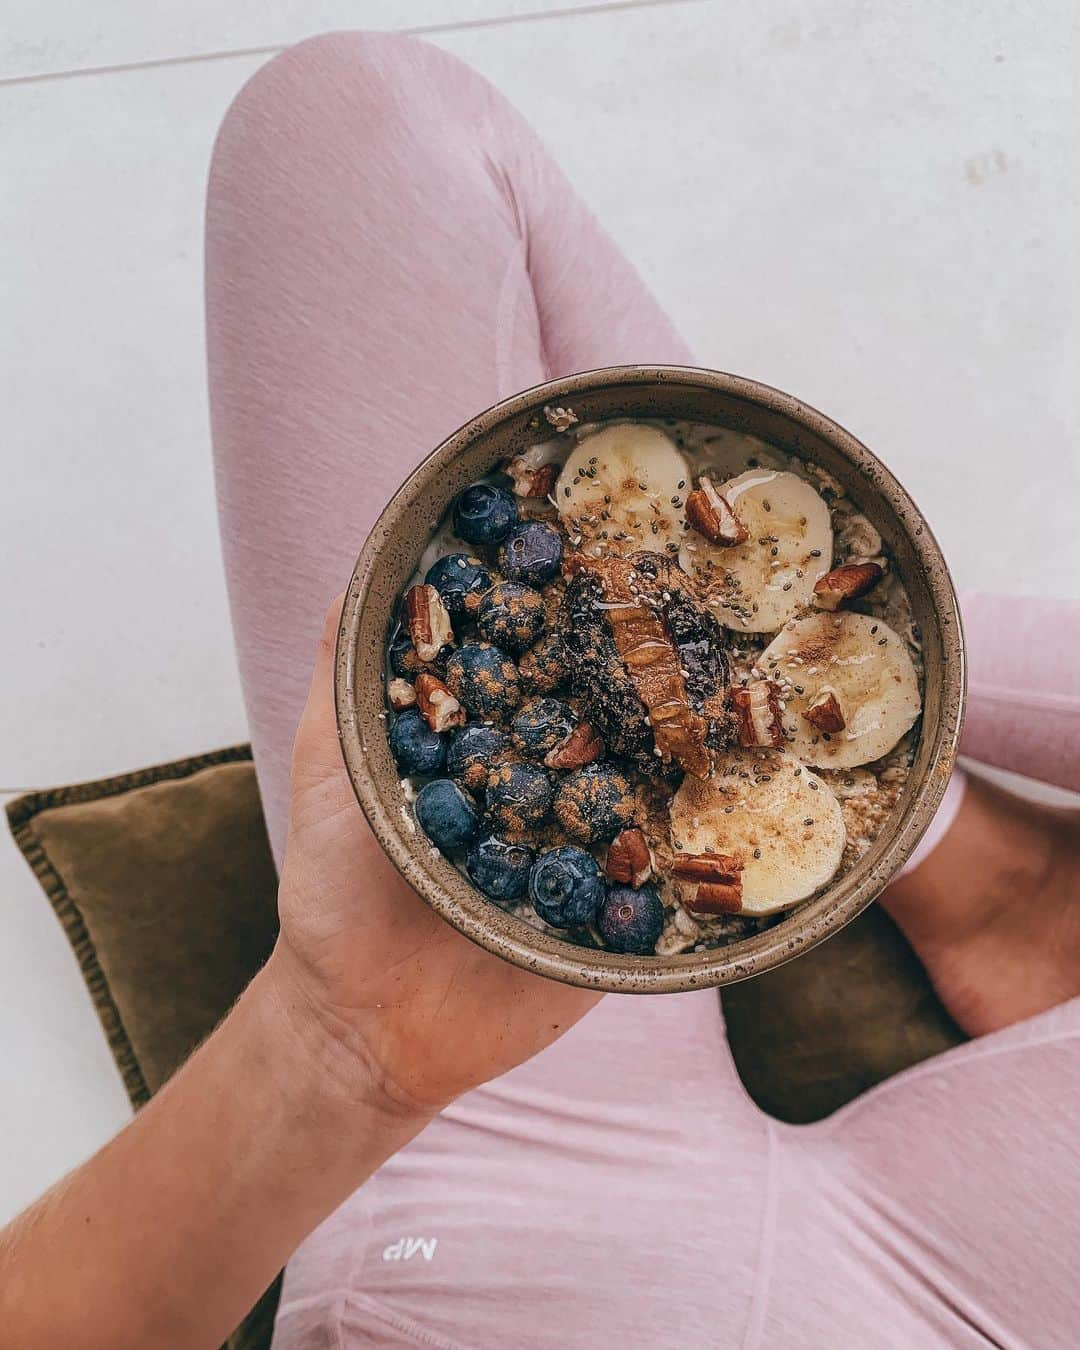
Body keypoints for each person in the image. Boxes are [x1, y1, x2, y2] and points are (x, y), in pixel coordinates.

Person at [2, 31, 1078, 1349]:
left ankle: (919, 804)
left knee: (358, 131)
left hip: (525, 1245)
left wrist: (340, 1051)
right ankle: (933, 822)